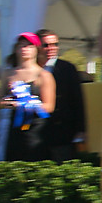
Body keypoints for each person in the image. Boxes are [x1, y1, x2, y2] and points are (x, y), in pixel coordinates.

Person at [0, 33, 56, 162]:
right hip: (15, 132)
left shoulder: (44, 75)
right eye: (21, 45)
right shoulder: (8, 74)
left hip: (37, 131)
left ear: (36, 49)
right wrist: (6, 103)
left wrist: (25, 104)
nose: (24, 49)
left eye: (29, 46)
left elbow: (49, 106)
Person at [36, 29, 86, 161]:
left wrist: (81, 130)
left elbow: (78, 101)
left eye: (55, 44)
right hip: (37, 132)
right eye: (46, 45)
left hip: (63, 131)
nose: (51, 48)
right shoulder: (32, 69)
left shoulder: (67, 68)